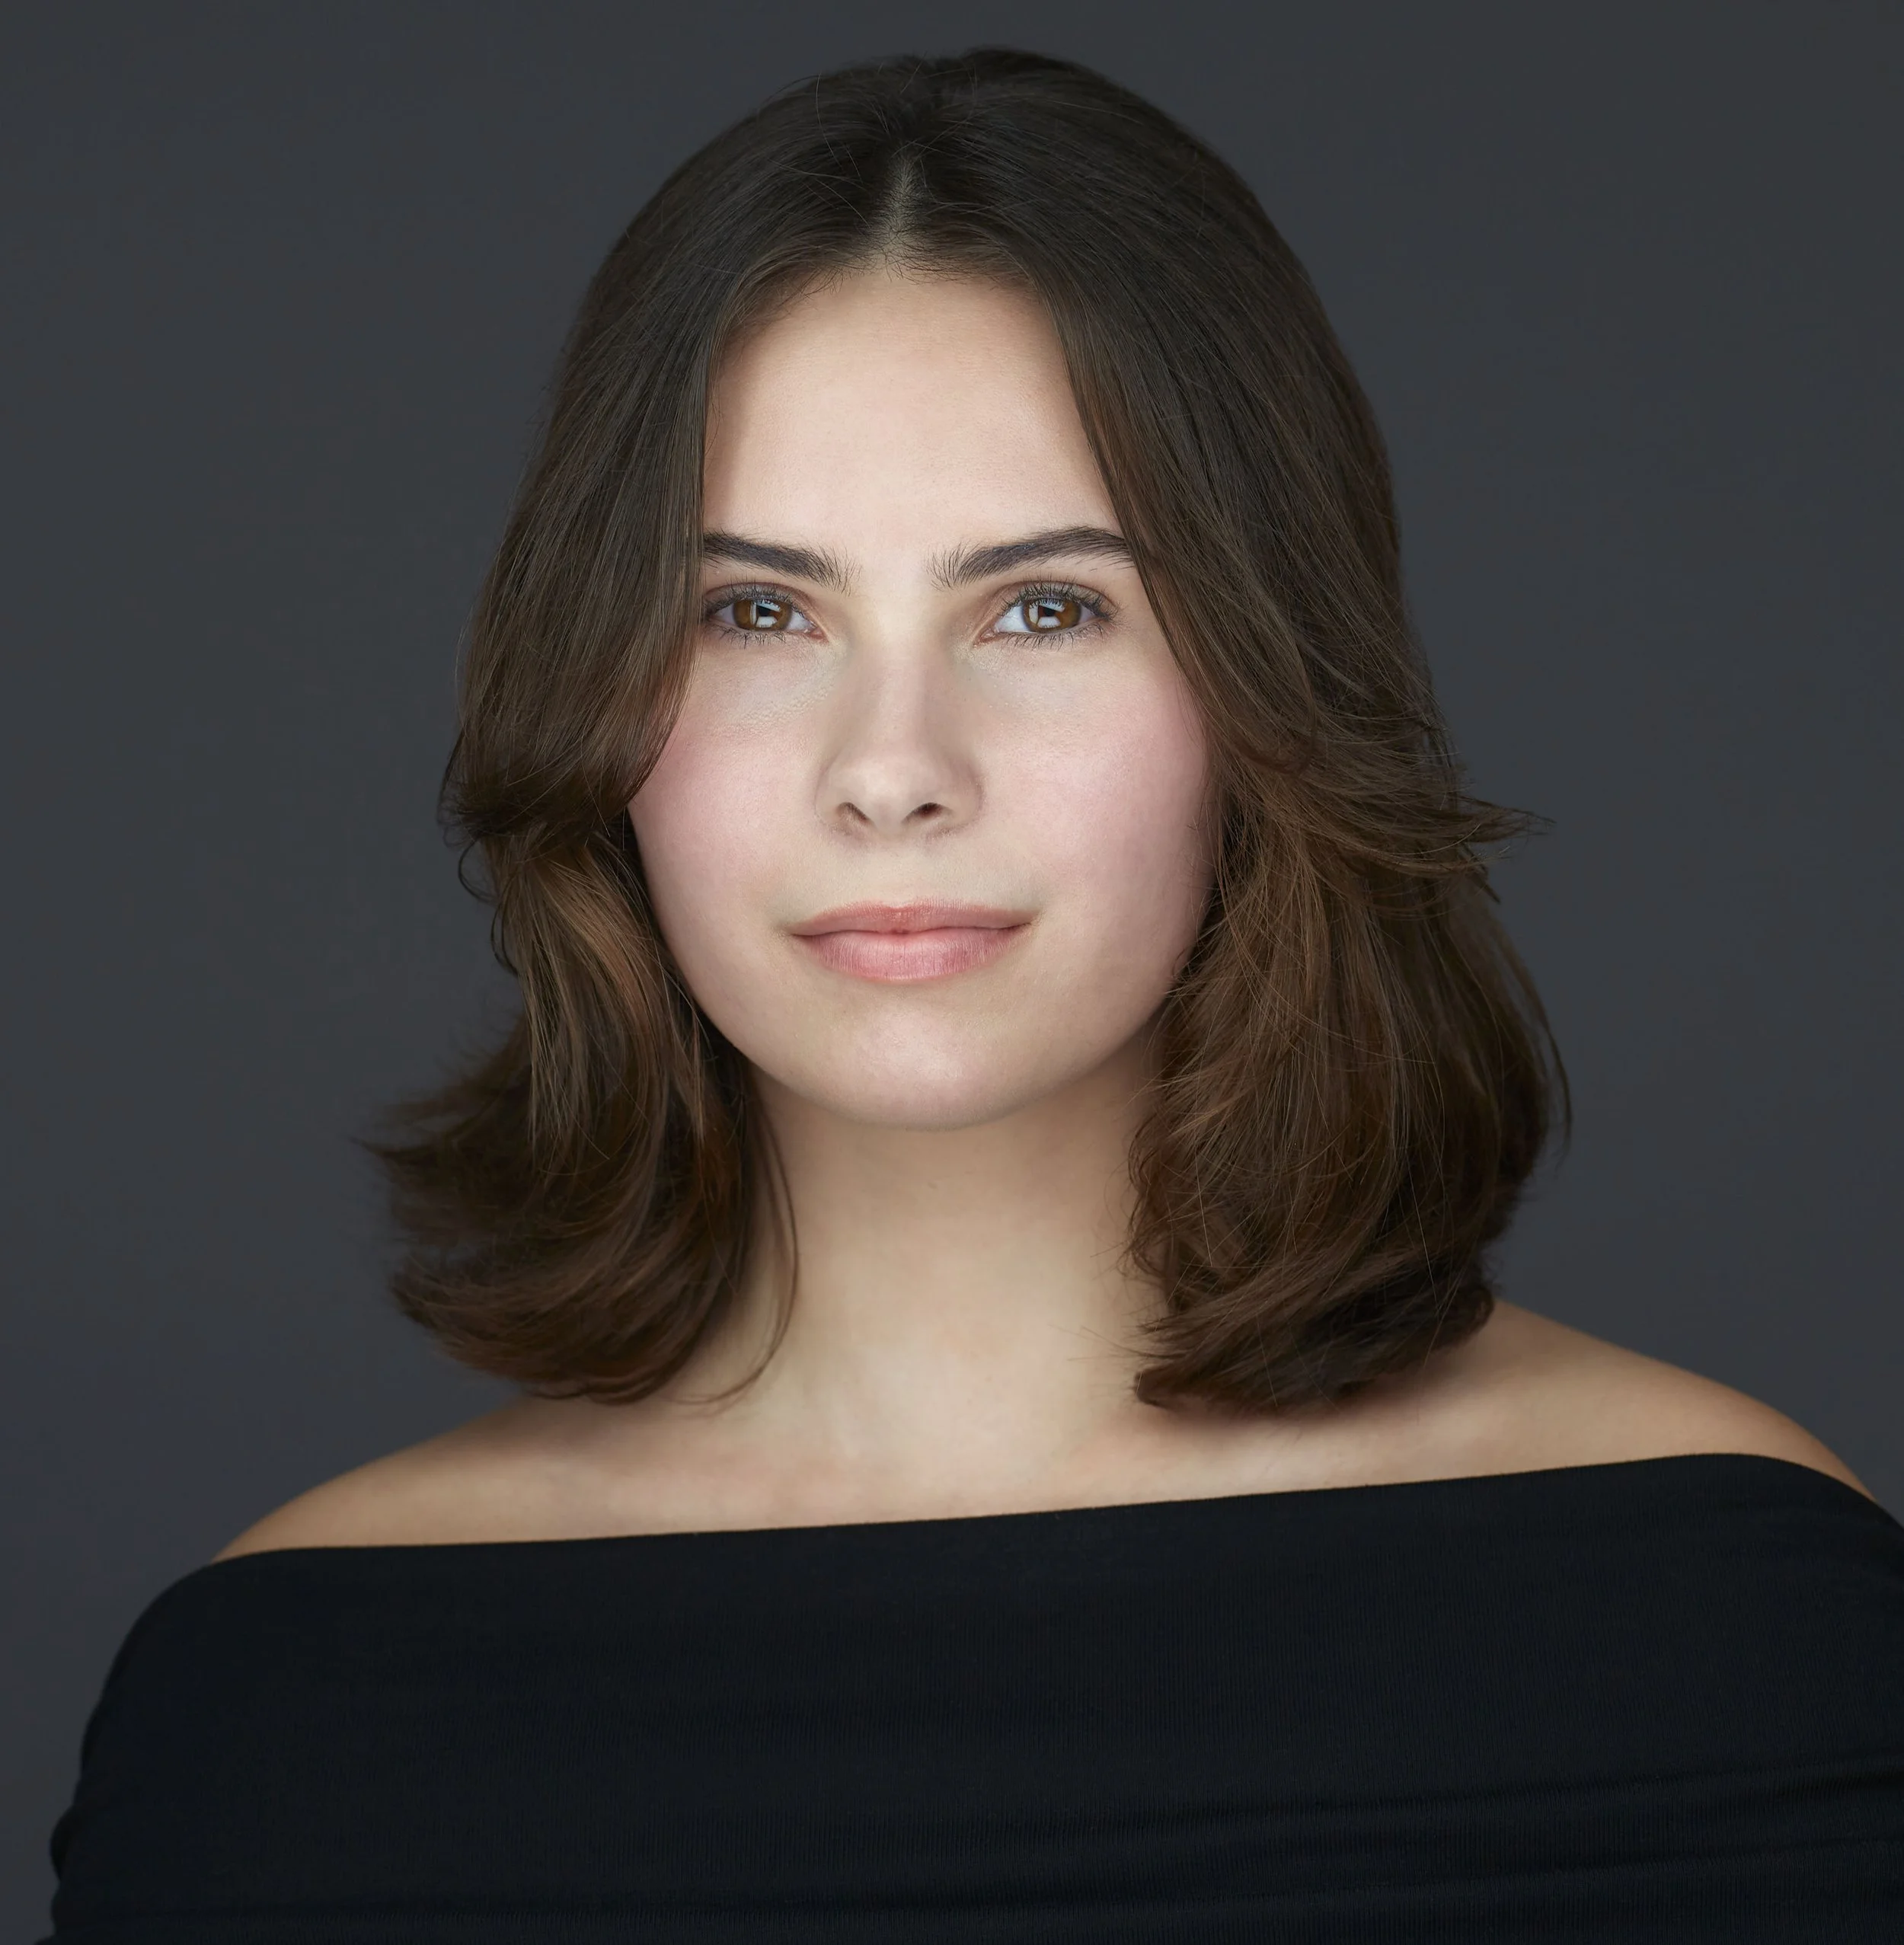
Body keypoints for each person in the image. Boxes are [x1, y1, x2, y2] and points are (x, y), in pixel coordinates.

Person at [44, 46, 1904, 1943]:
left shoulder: (1727, 1618)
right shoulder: (287, 1706)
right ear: (595, 710)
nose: (892, 765)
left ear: (1266, 689)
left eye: (1043, 609)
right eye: (755, 613)